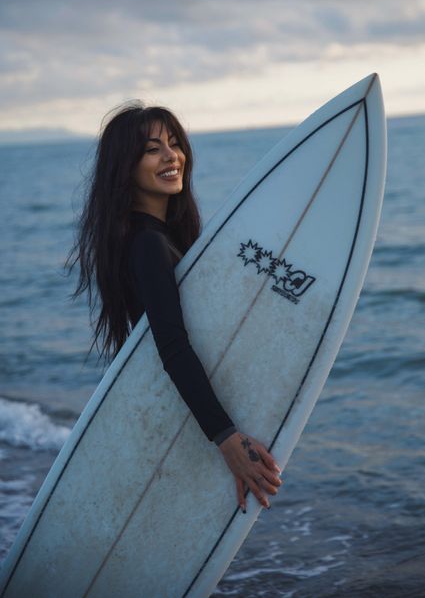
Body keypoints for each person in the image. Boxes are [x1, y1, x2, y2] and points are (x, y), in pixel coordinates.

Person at [68, 101, 282, 513]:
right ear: (124, 166)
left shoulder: (155, 237)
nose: (172, 156)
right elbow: (172, 345)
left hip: (180, 415)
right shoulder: (147, 244)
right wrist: (228, 439)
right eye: (152, 149)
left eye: (174, 143)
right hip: (199, 418)